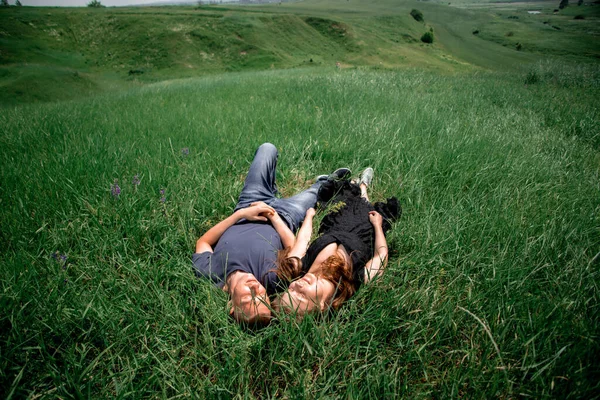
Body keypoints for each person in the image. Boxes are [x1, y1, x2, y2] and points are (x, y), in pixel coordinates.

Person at [193, 142, 350, 325]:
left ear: (231, 306)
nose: (254, 288)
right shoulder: (271, 277)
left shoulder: (211, 275)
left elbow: (203, 242)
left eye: (248, 298)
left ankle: (270, 190)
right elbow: (293, 245)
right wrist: (275, 217)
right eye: (261, 296)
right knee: (317, 193)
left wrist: (240, 215)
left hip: (250, 203)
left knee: (267, 148)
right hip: (285, 214)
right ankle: (324, 181)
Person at [274, 168, 401, 317]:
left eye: (291, 290)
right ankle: (363, 187)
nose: (298, 285)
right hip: (365, 227)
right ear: (322, 306)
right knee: (365, 204)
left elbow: (303, 240)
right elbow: (381, 254)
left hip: (338, 221)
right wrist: (378, 226)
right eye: (302, 296)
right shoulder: (355, 280)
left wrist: (309, 216)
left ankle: (353, 184)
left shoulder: (301, 267)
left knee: (343, 196)